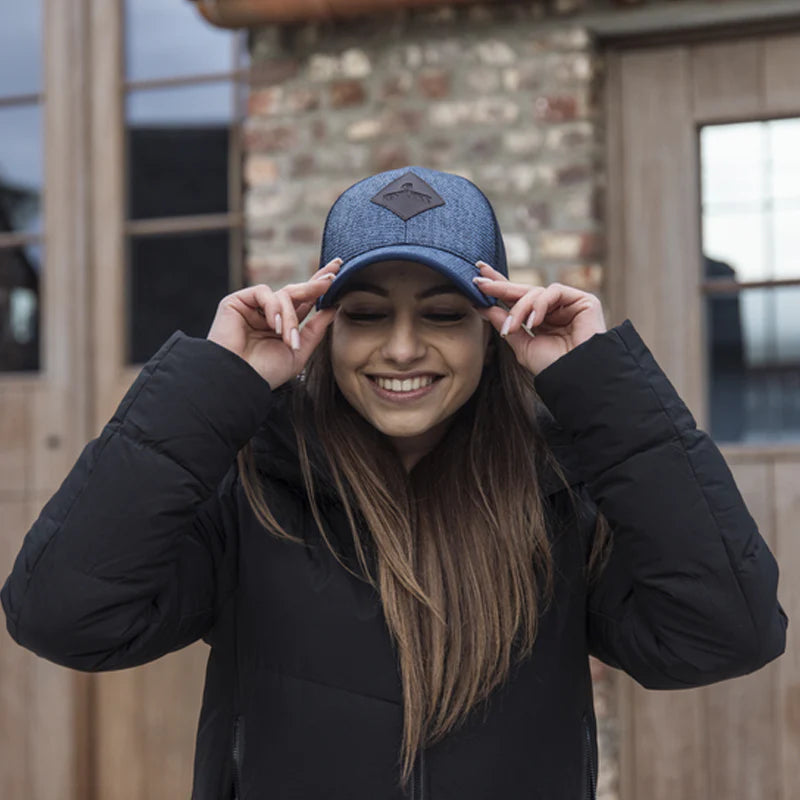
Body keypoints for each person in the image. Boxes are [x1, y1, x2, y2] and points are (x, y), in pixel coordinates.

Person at [1, 166, 787, 800]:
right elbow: (61, 616)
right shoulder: (251, 489)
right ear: (324, 328)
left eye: (443, 315)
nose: (402, 348)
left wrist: (602, 389)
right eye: (368, 315)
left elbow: (724, 634)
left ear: (493, 331)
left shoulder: (560, 493)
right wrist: (212, 383)